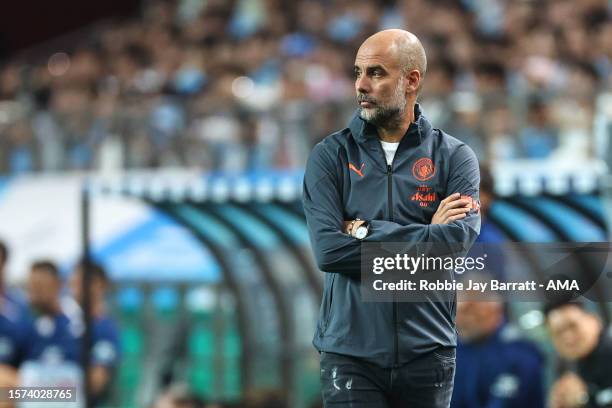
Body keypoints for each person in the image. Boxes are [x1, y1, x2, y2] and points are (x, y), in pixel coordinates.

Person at [303, 29, 481, 407]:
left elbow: (455, 245)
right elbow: (330, 252)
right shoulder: (329, 155)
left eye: (376, 73)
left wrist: (366, 231)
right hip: (350, 353)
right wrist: (428, 232)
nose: (361, 85)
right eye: (357, 73)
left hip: (427, 350)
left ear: (411, 80)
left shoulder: (455, 157)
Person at [451, 286, 544, 408]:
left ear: (495, 311)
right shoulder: (454, 351)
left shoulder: (518, 351)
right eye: (458, 310)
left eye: (470, 309)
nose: (462, 318)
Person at [68, 260, 121, 405]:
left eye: (79, 282)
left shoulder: (105, 329)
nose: (74, 289)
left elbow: (95, 383)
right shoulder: (65, 325)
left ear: (98, 285)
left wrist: (45, 393)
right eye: (72, 283)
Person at [545, 302, 612, 408]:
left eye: (572, 326)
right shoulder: (569, 369)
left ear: (594, 320)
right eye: (558, 332)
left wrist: (584, 399)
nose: (567, 337)